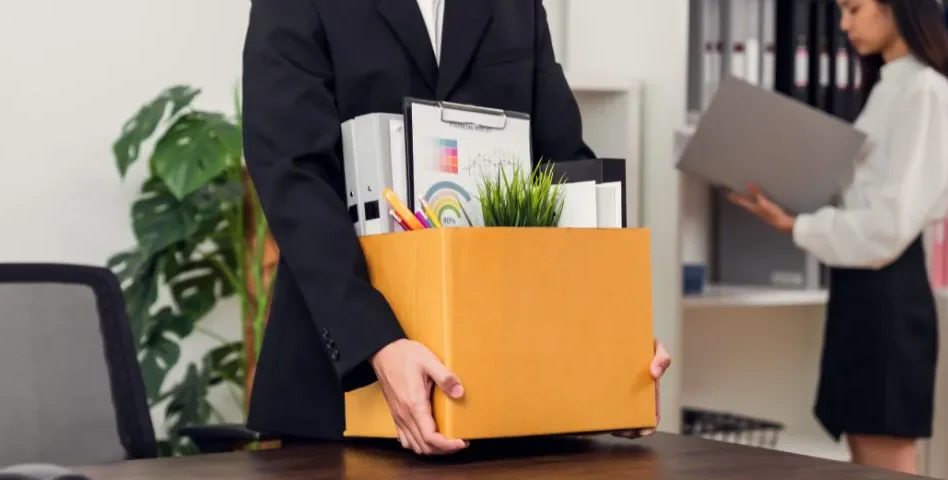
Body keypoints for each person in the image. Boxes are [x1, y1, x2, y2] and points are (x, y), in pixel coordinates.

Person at [240, 0, 672, 456]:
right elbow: (293, 174)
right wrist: (377, 342)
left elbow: (562, 166)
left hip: (510, 389)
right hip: (341, 395)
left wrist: (609, 339)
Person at [728, 0, 948, 473]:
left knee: (884, 455)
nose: (843, 25)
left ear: (896, 9)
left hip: (889, 292)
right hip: (860, 288)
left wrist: (798, 226)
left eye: (854, 9)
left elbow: (890, 226)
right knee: (861, 454)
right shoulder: (888, 84)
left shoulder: (925, 89)